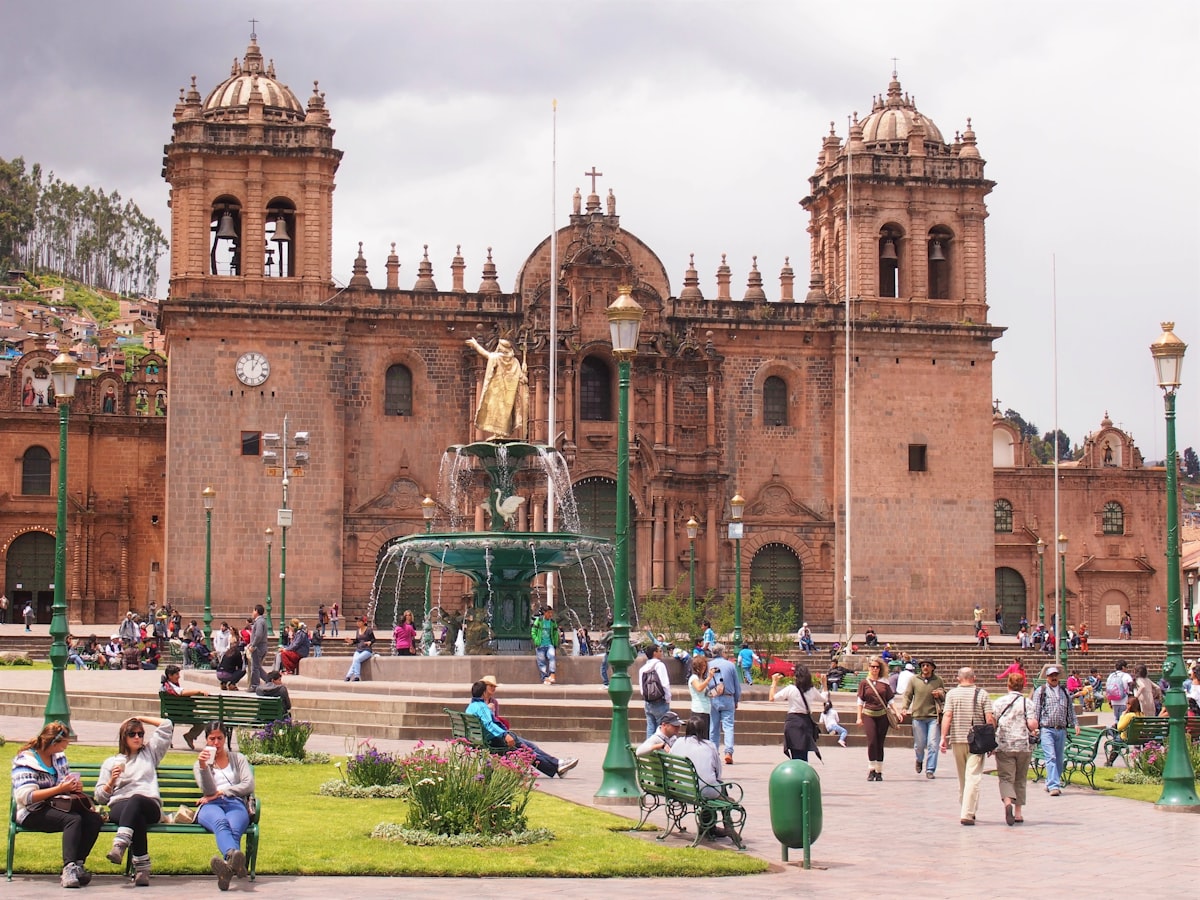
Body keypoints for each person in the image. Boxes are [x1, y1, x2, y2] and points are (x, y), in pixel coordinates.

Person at [11, 721, 104, 888]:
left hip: (58, 805)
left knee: (93, 819)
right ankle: (68, 869)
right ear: (53, 742)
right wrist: (59, 788)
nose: (66, 746)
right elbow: (27, 797)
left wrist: (73, 787)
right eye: (65, 742)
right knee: (73, 820)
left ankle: (77, 864)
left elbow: (64, 784)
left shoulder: (59, 758)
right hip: (31, 811)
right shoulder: (25, 760)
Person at [94, 716, 174, 885]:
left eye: (141, 734)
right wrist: (111, 782)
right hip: (120, 807)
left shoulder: (150, 754)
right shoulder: (111, 762)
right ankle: (142, 869)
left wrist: (139, 717)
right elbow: (100, 797)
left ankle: (120, 844)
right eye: (132, 734)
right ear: (124, 737)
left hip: (149, 804)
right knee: (135, 814)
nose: (138, 737)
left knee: (136, 800)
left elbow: (167, 725)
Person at [465, 680, 577, 776]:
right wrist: (505, 735)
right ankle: (557, 765)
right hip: (495, 739)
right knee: (527, 749)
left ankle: (557, 764)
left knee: (530, 746)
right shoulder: (482, 707)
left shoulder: (471, 707)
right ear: (484, 693)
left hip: (486, 738)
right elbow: (489, 725)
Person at [193, 722, 253, 890]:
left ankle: (226, 870)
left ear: (225, 739)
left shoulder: (238, 758)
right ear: (206, 740)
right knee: (221, 823)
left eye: (220, 738)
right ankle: (234, 859)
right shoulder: (199, 764)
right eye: (212, 739)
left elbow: (248, 784)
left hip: (234, 803)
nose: (216, 743)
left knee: (234, 828)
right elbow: (208, 790)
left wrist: (223, 792)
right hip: (210, 805)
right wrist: (204, 767)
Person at [939, 667, 994, 825]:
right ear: (974, 678)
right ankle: (968, 813)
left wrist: (943, 737)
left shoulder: (952, 694)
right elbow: (989, 718)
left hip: (957, 739)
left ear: (958, 679)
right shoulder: (982, 694)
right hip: (977, 741)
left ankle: (966, 807)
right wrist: (992, 740)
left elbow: (947, 715)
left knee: (963, 777)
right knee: (973, 776)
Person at [669, 716, 737, 840]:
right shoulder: (709, 745)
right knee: (720, 787)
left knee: (712, 787)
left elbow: (669, 765)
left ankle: (709, 828)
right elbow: (718, 772)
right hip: (703, 791)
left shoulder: (678, 742)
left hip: (681, 789)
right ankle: (726, 825)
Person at [993, 672, 1036, 825]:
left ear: (1008, 685)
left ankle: (1007, 803)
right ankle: (1018, 813)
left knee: (1006, 777)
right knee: (1020, 778)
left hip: (1004, 744)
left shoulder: (998, 702)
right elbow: (1032, 724)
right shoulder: (1028, 703)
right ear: (1023, 686)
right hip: (1023, 745)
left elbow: (992, 723)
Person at [1030, 664, 1079, 797]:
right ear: (1047, 677)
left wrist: (1075, 723)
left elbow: (1070, 709)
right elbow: (1036, 710)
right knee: (1050, 757)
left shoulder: (1064, 692)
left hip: (1061, 729)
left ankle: (1049, 781)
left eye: (1055, 676)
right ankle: (1054, 786)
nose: (1054, 678)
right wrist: (1034, 727)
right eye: (1051, 676)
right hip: (1047, 729)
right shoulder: (1041, 691)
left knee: (1058, 759)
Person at [466, 336, 528, 439]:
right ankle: (500, 434)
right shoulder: (515, 362)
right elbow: (523, 379)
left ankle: (499, 434)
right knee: (505, 413)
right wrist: (524, 375)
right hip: (509, 395)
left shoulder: (497, 357)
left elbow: (487, 354)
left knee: (496, 412)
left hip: (497, 392)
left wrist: (476, 345)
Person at [769, 663, 826, 762]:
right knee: (804, 754)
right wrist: (824, 684)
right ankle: (803, 772)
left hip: (792, 722)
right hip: (805, 722)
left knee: (794, 753)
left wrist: (774, 682)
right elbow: (824, 699)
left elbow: (772, 698)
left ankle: (796, 772)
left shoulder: (791, 689)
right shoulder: (812, 690)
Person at [900, 658, 946, 779]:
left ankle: (930, 769)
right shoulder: (914, 680)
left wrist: (939, 694)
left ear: (932, 668)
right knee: (919, 745)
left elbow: (944, 695)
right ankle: (919, 760)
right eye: (923, 665)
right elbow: (908, 695)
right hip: (918, 716)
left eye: (928, 665)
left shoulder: (938, 680)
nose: (925, 667)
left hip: (933, 717)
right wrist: (905, 707)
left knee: (933, 744)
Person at [856, 656, 896, 781]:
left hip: (882, 715)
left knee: (880, 743)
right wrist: (859, 717)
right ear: (869, 668)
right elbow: (860, 701)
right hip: (869, 714)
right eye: (872, 667)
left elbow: (890, 700)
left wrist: (897, 712)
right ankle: (871, 769)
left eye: (877, 667)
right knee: (872, 741)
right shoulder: (864, 683)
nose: (874, 669)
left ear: (880, 668)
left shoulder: (884, 682)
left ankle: (879, 770)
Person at [708, 643, 742, 764]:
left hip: (713, 697)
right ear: (722, 652)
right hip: (728, 698)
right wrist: (736, 699)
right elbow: (737, 685)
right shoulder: (730, 665)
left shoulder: (708, 665)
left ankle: (713, 752)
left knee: (713, 727)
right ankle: (728, 752)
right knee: (728, 726)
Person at [160, 664, 207, 749]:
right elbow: (181, 692)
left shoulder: (164, 686)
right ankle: (190, 736)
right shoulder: (171, 687)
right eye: (177, 674)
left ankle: (189, 736)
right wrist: (199, 691)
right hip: (180, 714)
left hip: (172, 713)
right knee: (201, 723)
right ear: (170, 676)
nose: (179, 676)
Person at [638, 643, 672, 738]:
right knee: (661, 728)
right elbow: (665, 684)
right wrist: (668, 698)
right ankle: (659, 750)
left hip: (648, 702)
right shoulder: (659, 665)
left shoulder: (643, 669)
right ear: (654, 653)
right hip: (660, 701)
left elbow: (642, 688)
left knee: (650, 727)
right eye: (660, 651)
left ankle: (649, 749)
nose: (661, 653)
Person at [530, 605, 559, 684]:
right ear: (544, 613)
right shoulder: (538, 621)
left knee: (552, 656)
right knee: (541, 662)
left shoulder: (553, 622)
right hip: (540, 645)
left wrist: (555, 643)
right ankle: (545, 678)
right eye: (549, 613)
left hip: (550, 644)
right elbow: (533, 632)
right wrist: (536, 641)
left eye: (551, 613)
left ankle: (552, 674)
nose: (550, 615)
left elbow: (555, 633)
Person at [688, 655, 715, 737]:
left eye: (704, 665)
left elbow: (706, 693)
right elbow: (699, 688)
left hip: (706, 710)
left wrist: (716, 691)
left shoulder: (702, 679)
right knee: (698, 736)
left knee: (705, 736)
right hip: (698, 710)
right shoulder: (693, 678)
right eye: (701, 665)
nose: (703, 668)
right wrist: (709, 678)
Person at [344, 617, 376, 682]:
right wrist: (351, 642)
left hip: (367, 650)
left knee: (356, 660)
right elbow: (357, 641)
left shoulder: (369, 630)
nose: (357, 623)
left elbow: (373, 639)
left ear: (364, 622)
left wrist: (370, 642)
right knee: (355, 661)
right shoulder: (358, 630)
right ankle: (348, 676)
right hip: (359, 650)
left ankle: (356, 677)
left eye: (359, 621)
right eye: (357, 622)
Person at [247, 604, 268, 691]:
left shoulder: (259, 622)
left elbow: (258, 635)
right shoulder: (262, 621)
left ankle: (255, 686)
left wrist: (253, 645)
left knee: (255, 668)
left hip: (258, 648)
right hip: (262, 646)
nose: (252, 612)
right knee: (257, 666)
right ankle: (269, 680)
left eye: (253, 610)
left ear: (257, 611)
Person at [1106, 660, 1132, 724]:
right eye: (1126, 667)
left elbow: (1108, 689)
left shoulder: (1111, 676)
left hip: (1114, 701)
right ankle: (1120, 733)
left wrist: (1109, 702)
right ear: (1123, 667)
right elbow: (1131, 687)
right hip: (1124, 701)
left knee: (1116, 719)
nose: (1127, 669)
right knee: (1123, 720)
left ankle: (1115, 732)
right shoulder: (1126, 676)